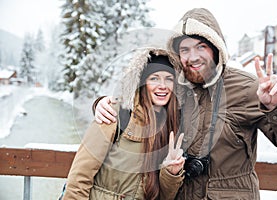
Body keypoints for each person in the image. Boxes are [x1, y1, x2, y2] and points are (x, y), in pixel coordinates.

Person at [93, 8, 277, 199]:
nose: (193, 57)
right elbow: (139, 107)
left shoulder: (249, 88)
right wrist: (103, 104)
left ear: (216, 48)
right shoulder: (174, 87)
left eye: (201, 47)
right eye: (185, 49)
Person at [63, 48, 185, 200]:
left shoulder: (170, 127)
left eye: (168, 79)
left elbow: (162, 196)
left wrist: (171, 173)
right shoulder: (116, 115)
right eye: (154, 78)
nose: (162, 85)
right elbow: (79, 179)